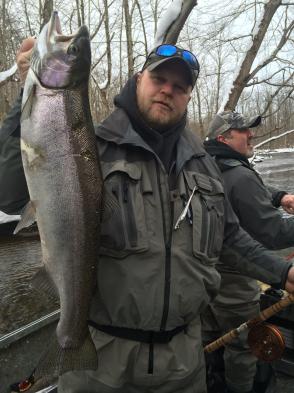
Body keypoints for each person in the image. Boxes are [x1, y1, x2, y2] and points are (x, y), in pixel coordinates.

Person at [2, 41, 294, 393]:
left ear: (188, 97)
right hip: (101, 360)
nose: (167, 91)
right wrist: (29, 96)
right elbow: (11, 193)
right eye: (159, 79)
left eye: (180, 87)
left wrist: (282, 271)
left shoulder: (204, 164)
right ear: (139, 79)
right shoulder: (86, 146)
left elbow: (230, 238)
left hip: (184, 360)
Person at [204, 111, 294, 393]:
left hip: (204, 276)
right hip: (235, 281)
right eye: (244, 131)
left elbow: (246, 188)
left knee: (208, 341)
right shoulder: (240, 174)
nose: (251, 134)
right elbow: (274, 233)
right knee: (242, 346)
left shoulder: (207, 166)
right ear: (224, 138)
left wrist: (279, 196)